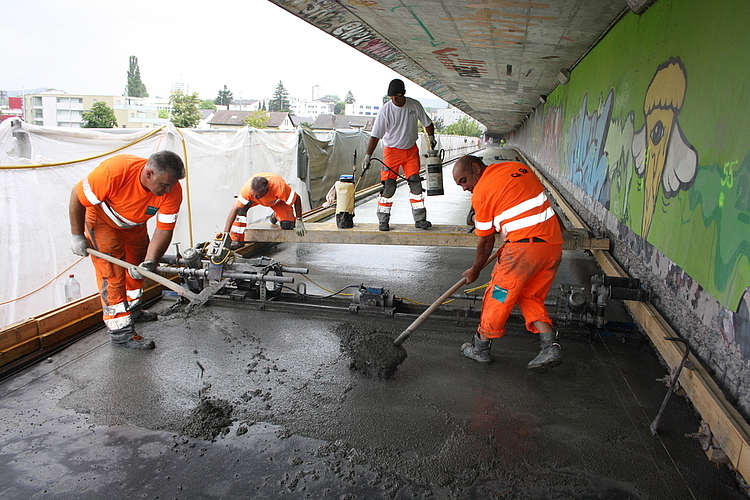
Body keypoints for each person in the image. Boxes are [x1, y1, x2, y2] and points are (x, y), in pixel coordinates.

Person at [453, 155, 565, 373]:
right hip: (552, 246)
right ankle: (550, 346)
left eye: (464, 180)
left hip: (523, 252)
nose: (465, 188)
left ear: (476, 168)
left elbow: (486, 242)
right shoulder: (517, 168)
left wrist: (475, 270)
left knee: (498, 296)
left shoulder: (482, 194)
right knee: (528, 296)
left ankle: (481, 347)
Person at [69, 151, 185, 350]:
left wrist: (151, 260)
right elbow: (76, 196)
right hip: (102, 220)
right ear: (149, 174)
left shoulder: (172, 190)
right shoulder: (114, 172)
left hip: (134, 226)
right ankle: (121, 331)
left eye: (171, 185)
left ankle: (132, 310)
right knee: (112, 275)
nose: (168, 190)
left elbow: (164, 229)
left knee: (139, 268)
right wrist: (77, 235)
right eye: (164, 185)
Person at [362, 78, 436, 231]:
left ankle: (420, 219)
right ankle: (383, 220)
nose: (394, 99)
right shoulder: (385, 111)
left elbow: (428, 123)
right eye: (392, 97)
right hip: (392, 152)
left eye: (397, 96)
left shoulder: (414, 105)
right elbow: (375, 136)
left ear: (404, 94)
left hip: (410, 151)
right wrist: (368, 155)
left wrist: (431, 138)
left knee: (416, 184)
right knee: (389, 186)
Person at [224, 172, 307, 249]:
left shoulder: (279, 187)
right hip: (257, 201)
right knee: (240, 209)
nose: (255, 196)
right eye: (253, 194)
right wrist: (225, 234)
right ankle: (237, 239)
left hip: (277, 202)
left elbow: (297, 199)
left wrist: (299, 219)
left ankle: (276, 215)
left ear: (266, 190)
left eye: (257, 194)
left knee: (287, 225)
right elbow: (234, 210)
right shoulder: (247, 190)